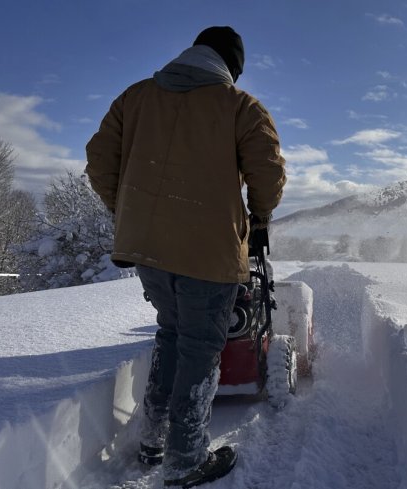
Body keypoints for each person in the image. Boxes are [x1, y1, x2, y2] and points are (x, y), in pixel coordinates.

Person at [85, 26, 286, 488]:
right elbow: (268, 173)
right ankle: (185, 458)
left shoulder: (134, 97)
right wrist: (259, 218)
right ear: (230, 67)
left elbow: (99, 160)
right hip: (208, 250)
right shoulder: (240, 107)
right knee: (199, 345)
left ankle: (153, 439)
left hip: (148, 250)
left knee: (173, 334)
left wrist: (128, 210)